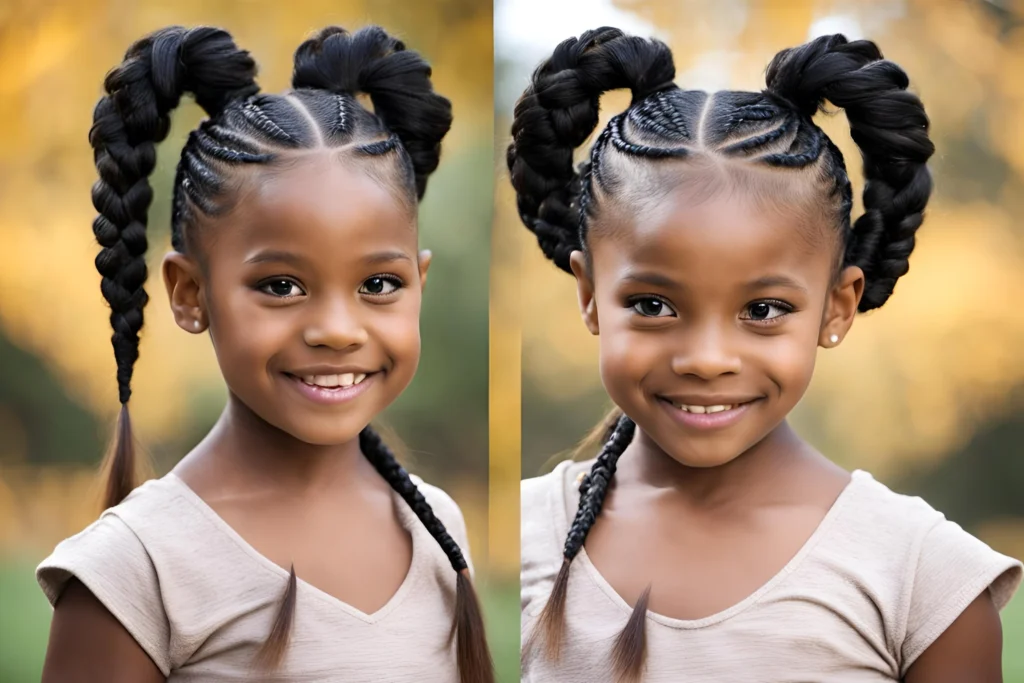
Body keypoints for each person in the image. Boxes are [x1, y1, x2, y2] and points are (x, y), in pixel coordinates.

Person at [510, 27, 1022, 683]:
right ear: (589, 296)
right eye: (651, 304)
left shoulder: (925, 582)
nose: (706, 358)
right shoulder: (518, 536)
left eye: (763, 310)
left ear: (837, 307)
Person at [36, 24, 493, 683]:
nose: (337, 328)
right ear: (190, 293)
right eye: (281, 285)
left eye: (378, 284)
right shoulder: (135, 570)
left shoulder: (436, 528)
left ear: (420, 281)